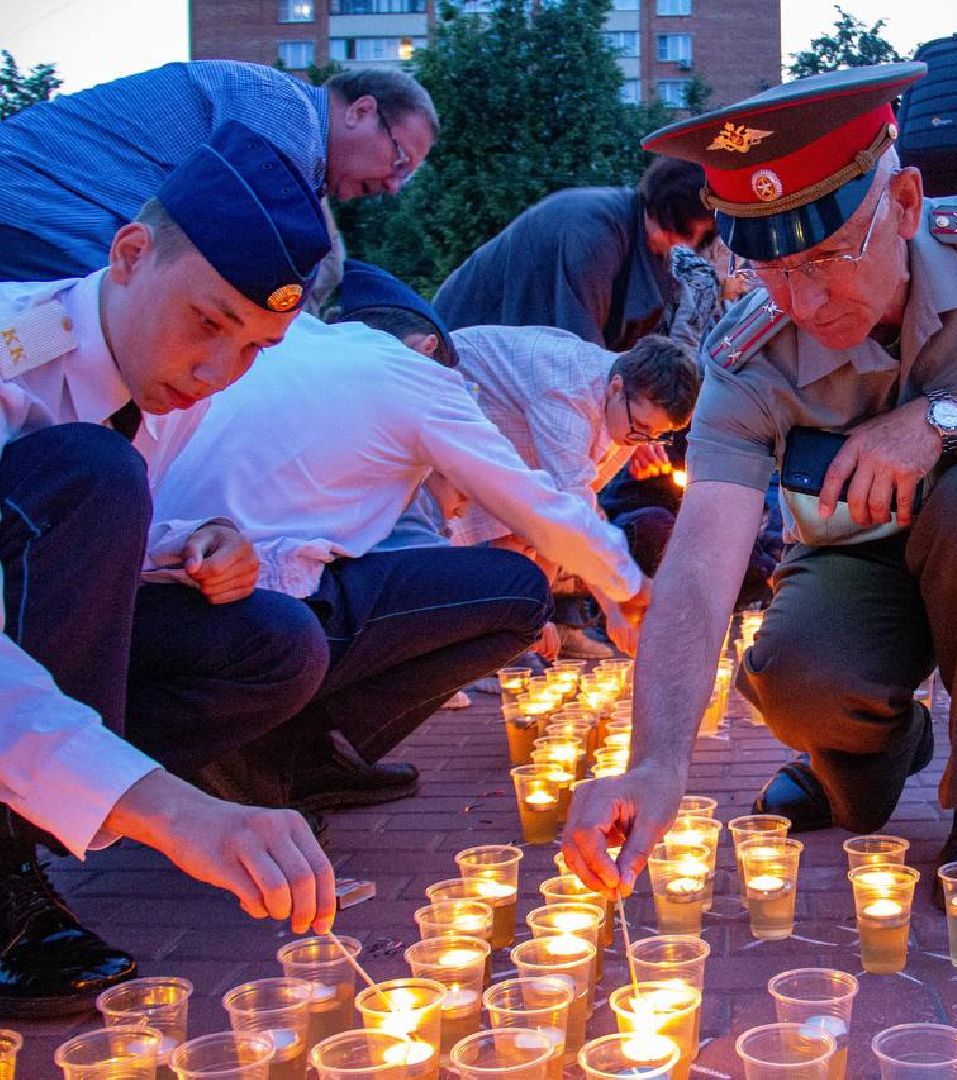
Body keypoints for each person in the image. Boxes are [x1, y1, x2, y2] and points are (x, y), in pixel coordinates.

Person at [560, 64, 957, 901]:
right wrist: (653, 763)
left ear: (904, 203)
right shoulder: (746, 357)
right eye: (773, 269)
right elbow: (699, 566)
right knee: (796, 683)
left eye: (829, 255)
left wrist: (944, 421)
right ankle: (875, 751)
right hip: (858, 560)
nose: (805, 299)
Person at [0, 123, 336, 1017]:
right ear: (131, 253)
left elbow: (63, 537)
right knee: (96, 474)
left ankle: (53, 812)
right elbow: (73, 493)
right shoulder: (10, 347)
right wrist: (175, 814)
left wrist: (196, 540)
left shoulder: (162, 375)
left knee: (277, 640)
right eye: (209, 324)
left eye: (254, 349)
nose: (219, 372)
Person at [147, 265, 654, 810]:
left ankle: (302, 751)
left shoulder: (289, 342)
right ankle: (279, 753)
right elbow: (540, 509)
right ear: (426, 346)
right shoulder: (412, 376)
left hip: (153, 597)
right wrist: (629, 585)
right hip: (255, 613)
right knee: (519, 590)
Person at [0, 63, 437, 282]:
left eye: (409, 177)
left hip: (51, 218)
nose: (394, 187)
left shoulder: (294, 146)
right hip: (39, 211)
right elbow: (255, 266)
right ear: (361, 111)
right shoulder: (288, 113)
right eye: (399, 161)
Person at [443, 323, 700, 659]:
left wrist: (609, 608)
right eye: (641, 429)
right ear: (616, 387)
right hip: (461, 395)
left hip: (512, 423)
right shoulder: (566, 392)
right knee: (491, 534)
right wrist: (624, 595)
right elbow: (571, 511)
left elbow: (568, 518)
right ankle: (477, 655)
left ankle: (514, 637)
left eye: (657, 436)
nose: (643, 443)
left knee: (530, 533)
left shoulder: (625, 410)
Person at [434, 158, 714, 349]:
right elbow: (578, 351)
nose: (684, 247)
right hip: (466, 339)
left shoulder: (652, 251)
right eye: (682, 232)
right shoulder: (593, 233)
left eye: (696, 239)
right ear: (663, 212)